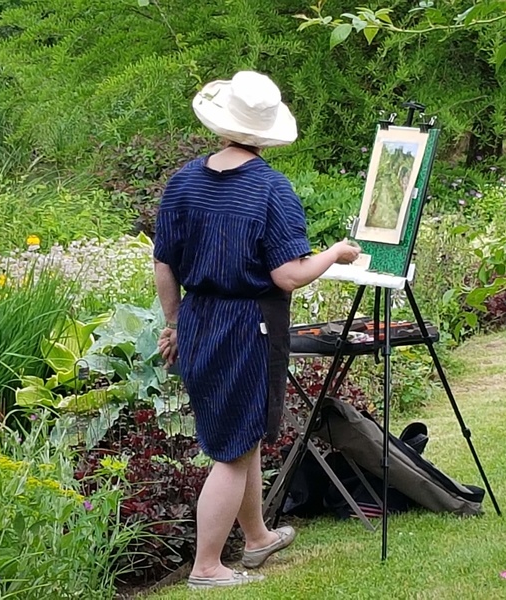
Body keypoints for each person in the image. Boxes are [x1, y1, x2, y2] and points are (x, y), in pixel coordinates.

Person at [153, 70, 361, 590]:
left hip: (200, 319)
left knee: (238, 438)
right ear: (266, 131)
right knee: (232, 451)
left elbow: (164, 265)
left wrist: (175, 323)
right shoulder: (270, 188)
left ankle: (258, 537)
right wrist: (335, 254)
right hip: (249, 325)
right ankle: (206, 568)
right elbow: (288, 275)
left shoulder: (182, 181)